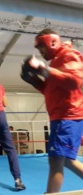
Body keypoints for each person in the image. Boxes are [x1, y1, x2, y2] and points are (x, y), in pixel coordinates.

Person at [21, 28, 83, 193]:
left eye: (42, 46)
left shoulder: (69, 55)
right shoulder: (55, 62)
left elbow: (74, 82)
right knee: (67, 160)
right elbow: (52, 91)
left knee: (56, 161)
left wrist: (43, 70)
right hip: (62, 117)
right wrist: (34, 81)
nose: (40, 52)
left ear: (52, 41)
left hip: (68, 116)